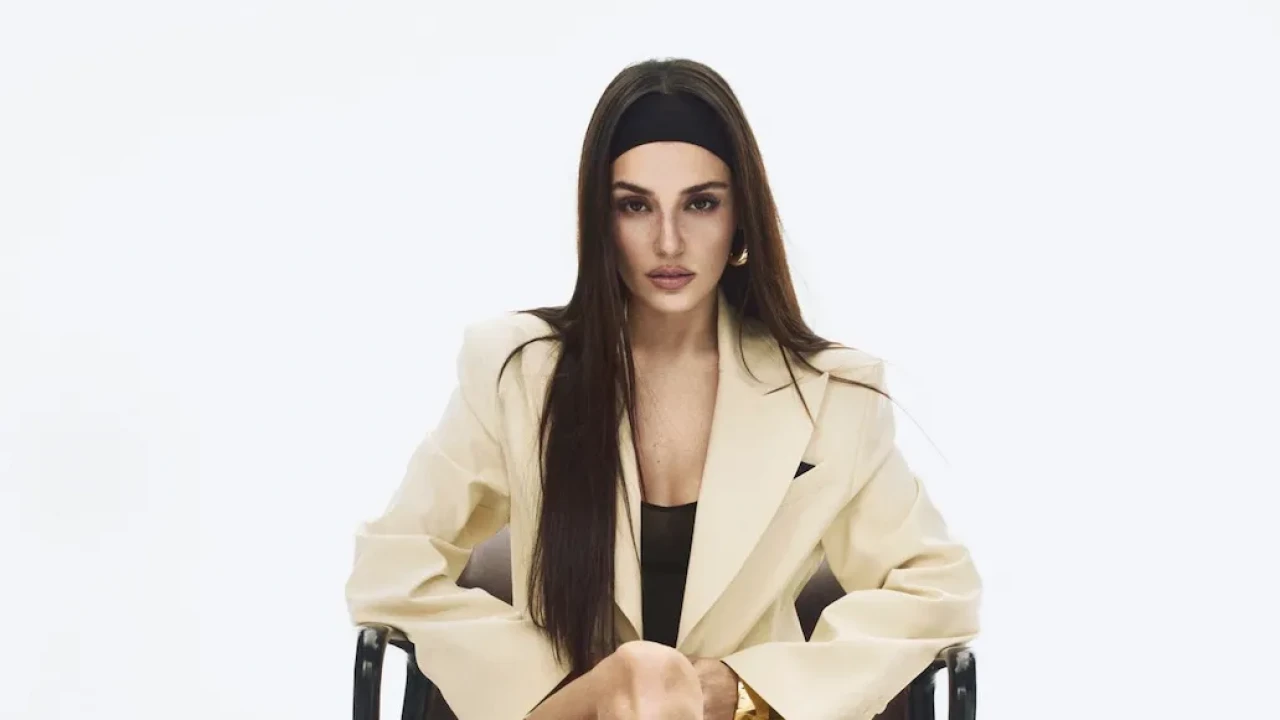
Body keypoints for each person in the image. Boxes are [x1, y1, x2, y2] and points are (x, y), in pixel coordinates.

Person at [345, 57, 981, 720]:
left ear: (740, 219)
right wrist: (572, 692)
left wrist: (743, 689)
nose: (669, 241)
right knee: (641, 677)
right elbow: (394, 563)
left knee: (651, 680)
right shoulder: (517, 372)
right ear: (601, 221)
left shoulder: (829, 394)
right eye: (635, 205)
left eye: (701, 203)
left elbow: (937, 588)